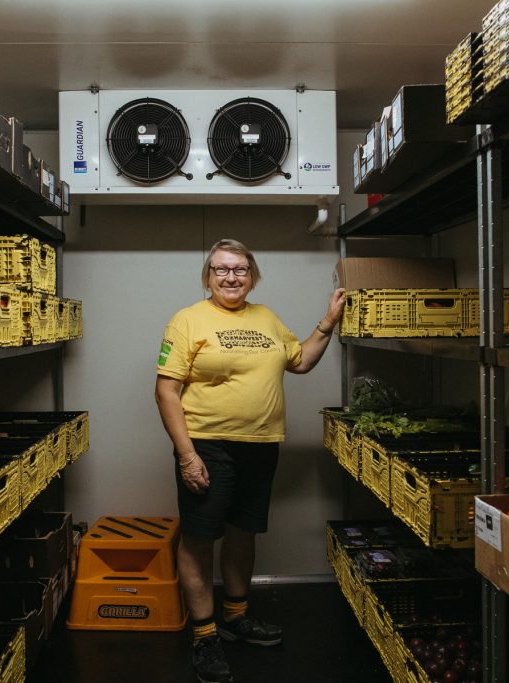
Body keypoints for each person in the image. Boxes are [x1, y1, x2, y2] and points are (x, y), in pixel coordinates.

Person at [154, 238, 345, 683]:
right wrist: (187, 456)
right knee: (200, 539)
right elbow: (166, 390)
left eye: (240, 269)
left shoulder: (267, 317)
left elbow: (299, 362)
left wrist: (328, 324)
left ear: (252, 275)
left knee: (243, 531)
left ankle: (236, 618)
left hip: (260, 445)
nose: (231, 277)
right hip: (207, 446)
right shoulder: (188, 320)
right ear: (208, 277)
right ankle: (204, 635)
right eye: (221, 269)